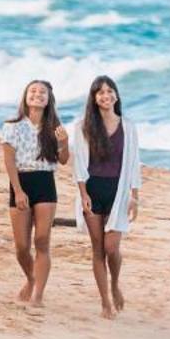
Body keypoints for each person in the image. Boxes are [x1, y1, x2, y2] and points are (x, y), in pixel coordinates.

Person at [71, 73, 143, 319]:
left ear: (116, 95)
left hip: (118, 192)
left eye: (110, 90)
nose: (106, 95)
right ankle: (105, 302)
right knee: (98, 249)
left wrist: (135, 195)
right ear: (94, 98)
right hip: (92, 190)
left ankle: (115, 284)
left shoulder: (128, 127)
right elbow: (79, 163)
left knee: (113, 247)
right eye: (100, 92)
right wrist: (82, 194)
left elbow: (134, 163)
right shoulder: (82, 126)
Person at [2, 79, 68, 306]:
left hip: (45, 182)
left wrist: (64, 142)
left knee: (42, 240)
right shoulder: (12, 126)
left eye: (42, 92)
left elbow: (63, 160)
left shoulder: (54, 127)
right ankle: (32, 279)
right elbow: (9, 161)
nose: (37, 94)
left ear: (49, 99)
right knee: (21, 248)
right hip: (21, 182)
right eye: (33, 91)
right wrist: (18, 191)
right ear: (25, 96)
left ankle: (38, 294)